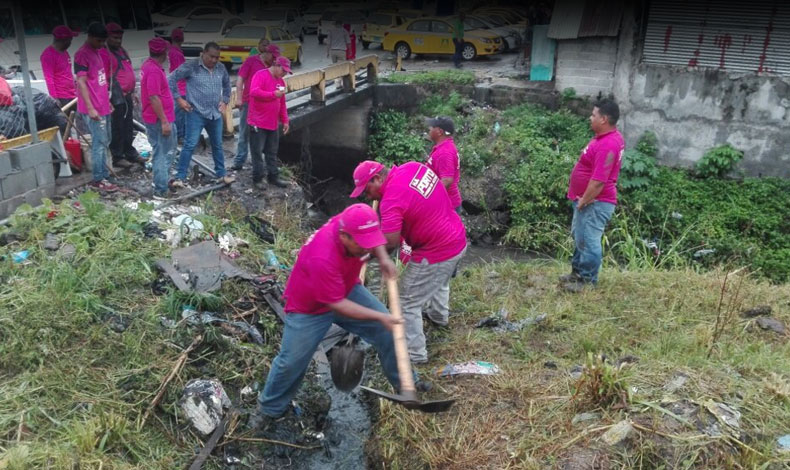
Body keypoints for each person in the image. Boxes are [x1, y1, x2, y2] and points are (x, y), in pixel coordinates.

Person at [251, 203, 403, 425]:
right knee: (291, 362)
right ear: (344, 236)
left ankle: (405, 384)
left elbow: (374, 240)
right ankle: (270, 410)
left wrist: (383, 258)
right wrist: (380, 316)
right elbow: (338, 305)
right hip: (310, 308)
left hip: (345, 287)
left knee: (387, 332)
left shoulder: (352, 219)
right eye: (363, 245)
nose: (367, 250)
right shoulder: (321, 256)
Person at [351, 160, 467, 364]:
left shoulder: (391, 201)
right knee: (438, 280)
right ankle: (439, 317)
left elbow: (391, 243)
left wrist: (364, 255)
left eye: (367, 190)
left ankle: (414, 355)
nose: (367, 196)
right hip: (456, 236)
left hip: (436, 251)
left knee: (406, 300)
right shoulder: (413, 167)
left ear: (378, 179)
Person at [561, 99, 624, 292]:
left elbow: (598, 181)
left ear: (604, 119)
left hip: (595, 202)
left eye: (594, 115)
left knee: (589, 240)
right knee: (580, 237)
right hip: (587, 200)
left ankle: (588, 281)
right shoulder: (604, 138)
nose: (590, 117)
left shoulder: (608, 144)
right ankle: (577, 273)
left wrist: (584, 200)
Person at [168, 42, 234, 186]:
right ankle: (180, 177)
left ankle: (221, 174)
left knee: (217, 144)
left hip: (214, 114)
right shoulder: (191, 66)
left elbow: (227, 85)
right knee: (190, 144)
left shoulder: (221, 68)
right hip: (195, 113)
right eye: (211, 57)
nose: (214, 60)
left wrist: (225, 100)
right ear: (203, 53)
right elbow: (171, 79)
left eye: (217, 57)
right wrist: (179, 99)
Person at [74, 22, 118, 192]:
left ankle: (104, 176)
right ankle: (98, 179)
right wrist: (91, 108)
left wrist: (108, 102)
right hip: (93, 108)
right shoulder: (81, 55)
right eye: (99, 41)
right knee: (99, 143)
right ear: (90, 37)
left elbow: (100, 81)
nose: (101, 44)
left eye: (103, 41)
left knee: (106, 140)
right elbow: (82, 83)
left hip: (102, 105)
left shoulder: (98, 52)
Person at [231, 43, 280, 172]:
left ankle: (259, 163)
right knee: (244, 131)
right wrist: (239, 98)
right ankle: (240, 160)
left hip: (265, 103)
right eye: (273, 57)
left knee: (261, 134)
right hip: (249, 101)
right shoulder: (251, 61)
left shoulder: (272, 66)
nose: (274, 60)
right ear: (267, 53)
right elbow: (240, 79)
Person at [246, 55, 291, 189]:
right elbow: (254, 92)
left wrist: (285, 120)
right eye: (283, 71)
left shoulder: (281, 82)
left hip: (272, 122)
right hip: (258, 121)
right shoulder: (260, 75)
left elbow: (282, 102)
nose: (284, 74)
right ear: (276, 66)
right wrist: (272, 95)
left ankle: (273, 176)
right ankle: (258, 178)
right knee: (257, 151)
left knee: (272, 151)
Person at [141, 38, 177, 200]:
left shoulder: (149, 66)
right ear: (164, 53)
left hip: (157, 117)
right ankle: (161, 189)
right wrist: (164, 121)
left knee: (163, 152)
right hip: (158, 120)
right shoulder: (154, 70)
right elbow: (154, 97)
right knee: (163, 153)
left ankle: (161, 182)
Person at [102, 22, 142, 168]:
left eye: (120, 38)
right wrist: (108, 99)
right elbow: (105, 77)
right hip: (116, 97)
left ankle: (129, 151)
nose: (118, 41)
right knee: (117, 127)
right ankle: (117, 156)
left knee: (128, 126)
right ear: (107, 37)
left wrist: (132, 92)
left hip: (127, 95)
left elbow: (128, 71)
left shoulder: (122, 51)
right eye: (115, 38)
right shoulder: (105, 53)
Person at [425, 116, 462, 213]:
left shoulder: (445, 152)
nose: (429, 129)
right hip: (446, 204)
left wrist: (428, 197)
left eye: (432, 127)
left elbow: (447, 180)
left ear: (439, 131)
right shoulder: (444, 147)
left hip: (447, 206)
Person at [40, 25, 79, 108]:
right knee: (65, 120)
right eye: (70, 40)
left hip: (72, 94)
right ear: (65, 40)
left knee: (75, 119)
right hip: (62, 96)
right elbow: (49, 78)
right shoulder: (48, 55)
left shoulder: (65, 52)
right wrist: (54, 98)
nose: (71, 43)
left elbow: (67, 72)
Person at [168, 28, 187, 143]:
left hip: (177, 86)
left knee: (179, 112)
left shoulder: (172, 51)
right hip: (180, 87)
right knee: (180, 113)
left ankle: (179, 134)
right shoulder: (176, 53)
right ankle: (180, 135)